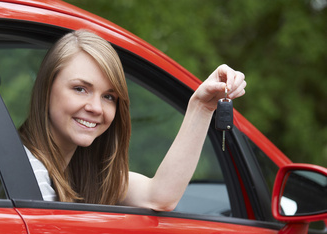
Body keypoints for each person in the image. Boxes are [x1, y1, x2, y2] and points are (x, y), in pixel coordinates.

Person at [18, 30, 246, 211]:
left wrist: (202, 106)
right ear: (46, 89)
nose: (96, 108)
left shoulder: (83, 170)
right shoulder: (30, 175)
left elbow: (159, 197)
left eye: (109, 96)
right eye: (80, 89)